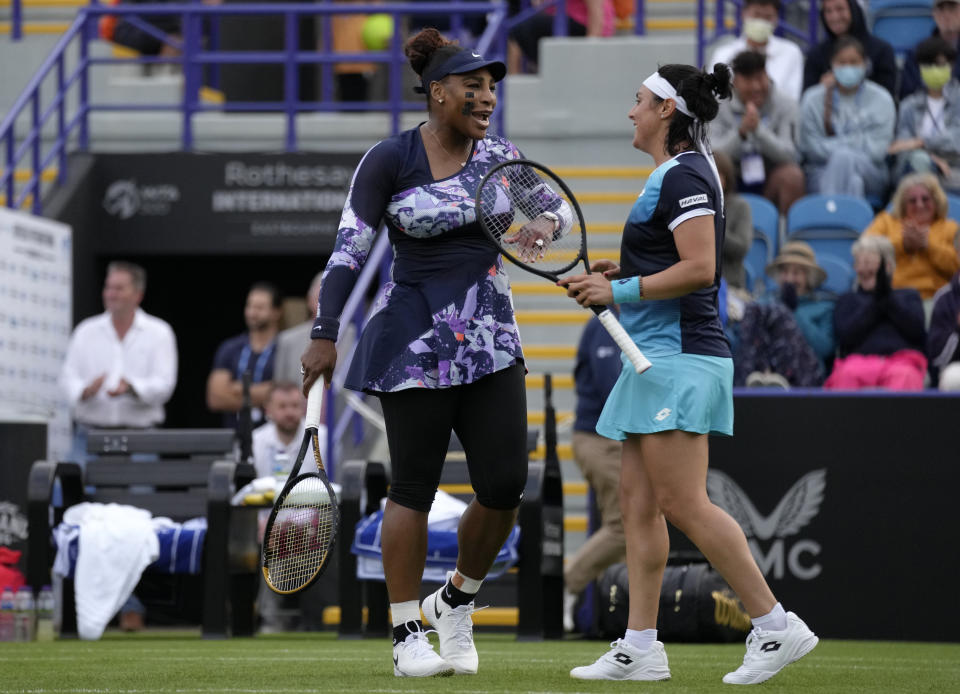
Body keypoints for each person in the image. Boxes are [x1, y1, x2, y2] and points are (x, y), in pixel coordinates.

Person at [559, 63, 817, 684]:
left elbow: (701, 268)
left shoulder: (684, 175)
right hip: (656, 360)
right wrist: (618, 274)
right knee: (638, 506)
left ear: (666, 111)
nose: (631, 111)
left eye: (639, 100)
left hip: (678, 359)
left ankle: (775, 624)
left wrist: (618, 292)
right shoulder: (675, 175)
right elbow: (672, 263)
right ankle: (640, 646)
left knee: (682, 502)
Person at [300, 28, 541, 678]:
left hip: (491, 339)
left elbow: (546, 225)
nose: (486, 97)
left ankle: (456, 600)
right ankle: (408, 633)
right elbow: (349, 248)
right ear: (438, 93)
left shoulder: (504, 156)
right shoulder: (390, 158)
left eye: (491, 88)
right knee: (412, 487)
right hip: (412, 343)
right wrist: (327, 329)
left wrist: (550, 241)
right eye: (473, 87)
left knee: (504, 485)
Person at [60, 260, 178, 631]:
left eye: (119, 288)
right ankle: (82, 604)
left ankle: (131, 603)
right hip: (91, 435)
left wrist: (132, 388)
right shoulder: (86, 332)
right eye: (108, 287)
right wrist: (85, 390)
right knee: (80, 514)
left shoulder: (158, 332)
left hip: (140, 435)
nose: (111, 294)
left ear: (137, 293)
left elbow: (165, 384)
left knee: (135, 520)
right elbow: (68, 380)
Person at [563, 314, 624, 633]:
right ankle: (568, 586)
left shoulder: (634, 319)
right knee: (625, 526)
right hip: (600, 438)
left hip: (617, 436)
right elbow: (610, 383)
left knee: (637, 527)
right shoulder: (606, 323)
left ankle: (620, 612)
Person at [797, 36, 895, 199]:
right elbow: (810, 147)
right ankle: (851, 222)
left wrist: (836, 148)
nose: (848, 67)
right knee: (854, 182)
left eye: (854, 62)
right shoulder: (812, 98)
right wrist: (857, 141)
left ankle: (829, 218)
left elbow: (877, 151)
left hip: (871, 171)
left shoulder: (882, 98)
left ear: (865, 64)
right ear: (832, 65)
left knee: (844, 158)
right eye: (842, 63)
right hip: (820, 170)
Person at [825, 236, 928, 390]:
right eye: (859, 263)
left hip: (902, 361)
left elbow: (916, 331)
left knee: (905, 376)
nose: (863, 269)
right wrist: (876, 303)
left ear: (888, 266)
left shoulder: (908, 296)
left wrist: (888, 297)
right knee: (846, 375)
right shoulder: (847, 300)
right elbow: (847, 336)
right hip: (857, 362)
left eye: (869, 263)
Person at [712, 50, 805, 216]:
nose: (756, 87)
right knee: (709, 174)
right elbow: (712, 154)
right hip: (732, 179)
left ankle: (785, 237)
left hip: (770, 178)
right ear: (735, 82)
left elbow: (791, 155)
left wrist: (759, 131)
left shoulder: (786, 104)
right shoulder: (717, 105)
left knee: (792, 176)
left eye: (760, 78)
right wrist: (741, 133)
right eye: (749, 80)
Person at [734, 241, 835, 386]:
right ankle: (748, 384)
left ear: (808, 277)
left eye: (796, 273)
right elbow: (744, 331)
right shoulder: (766, 301)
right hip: (759, 370)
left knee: (779, 313)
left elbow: (824, 348)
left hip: (804, 374)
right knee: (753, 310)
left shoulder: (824, 307)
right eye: (785, 272)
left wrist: (792, 311)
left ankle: (776, 380)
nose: (789, 279)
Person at [862, 172, 960, 304]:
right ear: (903, 204)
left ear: (936, 201)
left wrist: (928, 245)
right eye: (912, 201)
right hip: (891, 297)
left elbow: (956, 269)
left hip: (935, 300)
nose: (919, 205)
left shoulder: (951, 228)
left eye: (925, 199)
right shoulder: (886, 221)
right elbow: (865, 253)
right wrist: (903, 245)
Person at [206, 282, 282, 429]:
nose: (252, 312)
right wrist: (265, 395)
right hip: (234, 437)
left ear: (276, 312)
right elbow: (215, 398)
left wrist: (236, 389)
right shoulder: (230, 348)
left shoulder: (284, 348)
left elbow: (288, 392)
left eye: (260, 307)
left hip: (273, 437)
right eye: (250, 306)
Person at [890, 37, 960, 194]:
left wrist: (920, 142)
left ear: (952, 65)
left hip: (955, 169)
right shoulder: (908, 105)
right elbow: (902, 148)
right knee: (918, 161)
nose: (934, 69)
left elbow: (956, 141)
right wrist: (932, 158)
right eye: (928, 65)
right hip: (917, 169)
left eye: (940, 64)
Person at [708, 0, 805, 102]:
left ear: (776, 18)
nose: (761, 22)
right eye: (756, 15)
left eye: (768, 17)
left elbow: (792, 99)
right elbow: (713, 97)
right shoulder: (724, 55)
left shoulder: (791, 53)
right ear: (743, 14)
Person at [801, 0, 898, 99]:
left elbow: (888, 98)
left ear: (853, 10)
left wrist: (851, 83)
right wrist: (820, 90)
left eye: (840, 9)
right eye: (828, 11)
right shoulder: (816, 54)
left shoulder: (882, 51)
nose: (834, 17)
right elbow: (806, 100)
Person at [507, 0, 615, 73]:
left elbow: (597, 15)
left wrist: (590, 48)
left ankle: (549, 72)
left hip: (585, 28)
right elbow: (540, 7)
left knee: (524, 28)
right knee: (516, 32)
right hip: (563, 26)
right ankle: (514, 87)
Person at [900, 0, 960, 100]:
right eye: (941, 9)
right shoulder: (917, 52)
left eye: (952, 9)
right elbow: (908, 95)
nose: (946, 15)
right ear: (934, 14)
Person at [713, 150, 754, 291]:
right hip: (697, 287)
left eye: (717, 174)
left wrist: (712, 225)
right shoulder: (692, 206)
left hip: (730, 287)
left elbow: (741, 247)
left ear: (727, 178)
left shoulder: (740, 207)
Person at [273, 273, 323, 385]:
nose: (325, 304)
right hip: (299, 401)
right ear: (309, 300)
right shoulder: (287, 340)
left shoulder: (356, 337)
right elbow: (280, 386)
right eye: (320, 297)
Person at [927, 229, 960, 388]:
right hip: (956, 367)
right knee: (953, 378)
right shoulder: (945, 298)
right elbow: (937, 359)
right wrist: (957, 330)